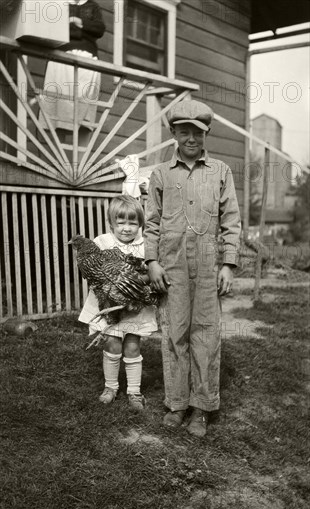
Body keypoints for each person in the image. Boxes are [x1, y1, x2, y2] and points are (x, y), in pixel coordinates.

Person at [144, 99, 241, 437]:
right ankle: (177, 403)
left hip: (206, 264)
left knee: (205, 334)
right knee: (175, 332)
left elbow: (231, 221)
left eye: (197, 132)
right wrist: (152, 261)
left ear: (206, 133)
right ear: (173, 133)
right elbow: (152, 223)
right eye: (183, 131)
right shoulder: (160, 174)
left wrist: (228, 264)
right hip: (170, 267)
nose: (190, 138)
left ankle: (201, 407)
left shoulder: (220, 172)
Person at [79, 195, 158, 411]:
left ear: (140, 224)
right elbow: (92, 274)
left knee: (132, 346)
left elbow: (149, 274)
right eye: (120, 222)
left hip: (134, 307)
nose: (126, 228)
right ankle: (111, 387)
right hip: (108, 304)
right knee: (112, 343)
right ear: (111, 223)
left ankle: (134, 391)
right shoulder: (102, 242)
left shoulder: (145, 246)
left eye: (132, 223)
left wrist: (137, 286)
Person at [40, 0, 105, 149]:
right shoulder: (58, 4)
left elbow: (99, 29)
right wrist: (82, 31)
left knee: (84, 113)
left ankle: (81, 167)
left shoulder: (91, 5)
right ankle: (59, 164)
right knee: (60, 109)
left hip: (87, 60)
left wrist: (78, 22)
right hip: (62, 58)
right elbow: (50, 27)